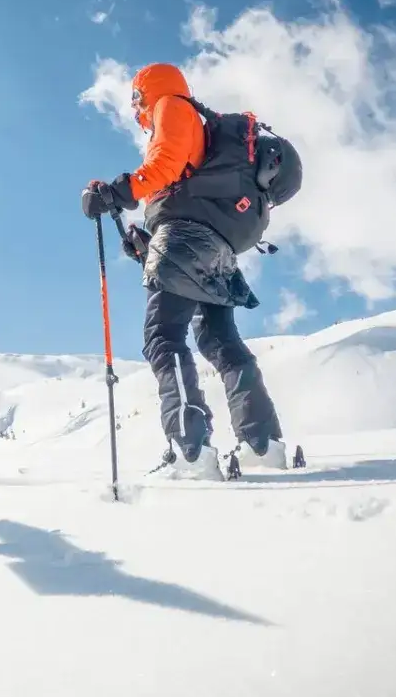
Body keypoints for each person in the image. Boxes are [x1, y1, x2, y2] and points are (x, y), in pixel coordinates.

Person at [81, 62, 286, 472]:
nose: (136, 106)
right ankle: (262, 445)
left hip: (187, 238)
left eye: (136, 96)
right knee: (219, 340)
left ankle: (190, 450)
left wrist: (115, 192)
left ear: (147, 89)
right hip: (216, 243)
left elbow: (166, 164)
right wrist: (147, 246)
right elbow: (182, 189)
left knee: (163, 335)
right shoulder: (195, 124)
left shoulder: (170, 105)